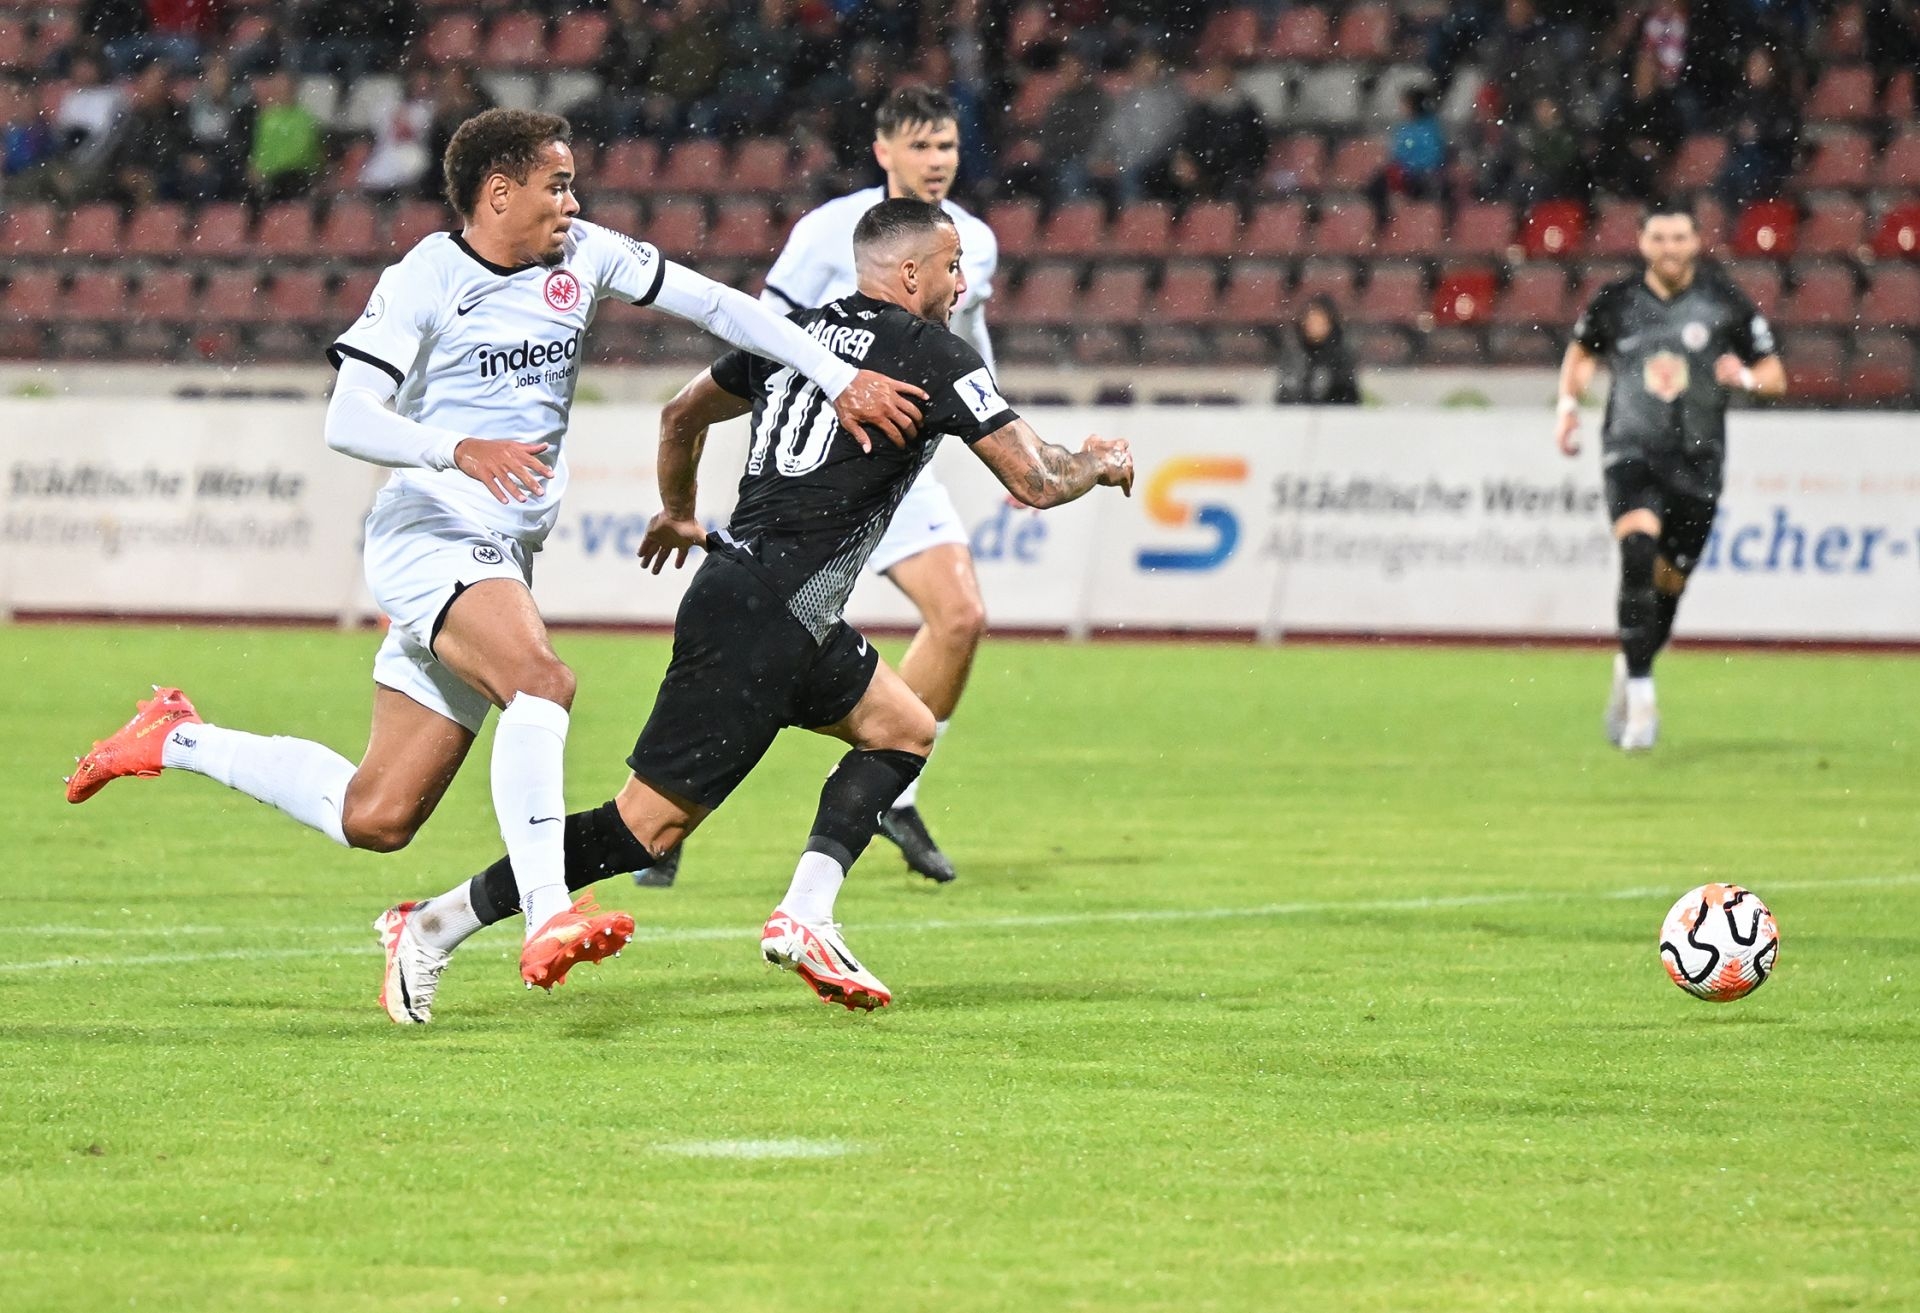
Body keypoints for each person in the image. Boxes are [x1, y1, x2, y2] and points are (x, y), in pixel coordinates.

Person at [63, 109, 927, 1021]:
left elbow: (720, 306)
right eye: (558, 185)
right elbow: (346, 417)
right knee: (541, 681)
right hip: (430, 529)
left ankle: (174, 736)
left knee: (378, 815)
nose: (573, 202)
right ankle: (549, 915)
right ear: (499, 191)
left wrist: (834, 374)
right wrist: (454, 448)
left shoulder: (585, 254)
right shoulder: (426, 277)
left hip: (502, 550)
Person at [382, 198, 1134, 1020]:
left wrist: (678, 511)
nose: (962, 284)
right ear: (911, 271)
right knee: (643, 831)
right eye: (953, 267)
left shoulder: (793, 333)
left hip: (768, 602)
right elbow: (1036, 479)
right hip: (769, 613)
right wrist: (1096, 462)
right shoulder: (935, 355)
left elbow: (681, 414)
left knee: (904, 728)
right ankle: (431, 924)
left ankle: (806, 915)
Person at [651, 84, 996, 889]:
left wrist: (999, 434)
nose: (937, 161)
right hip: (814, 461)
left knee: (961, 616)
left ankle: (894, 790)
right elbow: (762, 332)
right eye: (921, 145)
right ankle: (667, 818)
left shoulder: (972, 239)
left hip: (903, 458)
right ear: (883, 151)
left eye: (947, 146)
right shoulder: (825, 231)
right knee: (757, 647)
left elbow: (972, 341)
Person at [1554, 201, 1786, 751]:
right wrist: (1567, 405)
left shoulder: (1724, 301)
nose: (1669, 248)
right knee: (1637, 551)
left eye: (1679, 238)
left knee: (1669, 585)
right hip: (1631, 450)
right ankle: (1642, 701)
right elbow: (1582, 353)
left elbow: (1775, 375)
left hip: (1698, 460)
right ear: (1642, 243)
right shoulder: (1615, 300)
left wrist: (1744, 378)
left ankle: (1631, 665)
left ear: (1697, 242)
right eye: (1658, 238)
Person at [1273, 296, 1360, 406]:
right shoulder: (1293, 354)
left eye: (1320, 322)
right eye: (1311, 321)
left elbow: (1348, 397)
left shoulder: (1340, 357)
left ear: (1330, 323)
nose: (1314, 326)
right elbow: (1285, 394)